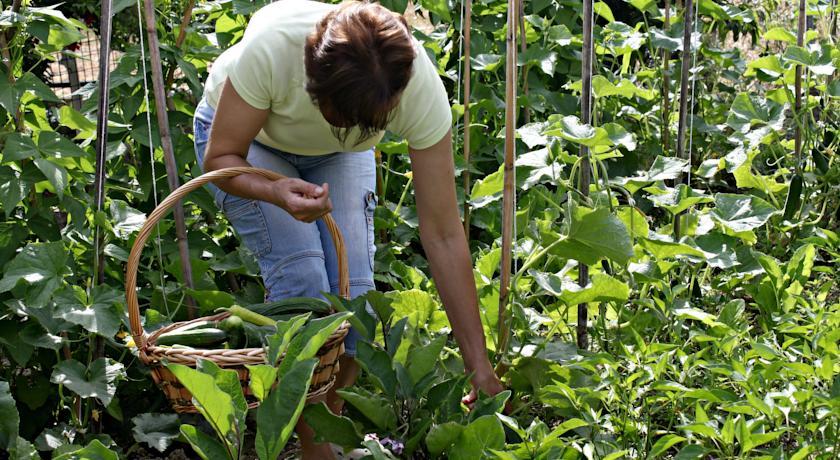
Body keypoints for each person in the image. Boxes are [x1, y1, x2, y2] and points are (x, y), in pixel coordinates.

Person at [193, 0, 503, 457]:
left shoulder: (416, 87)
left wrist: (479, 365)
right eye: (342, 117)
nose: (352, 129)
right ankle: (314, 449)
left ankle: (324, 433)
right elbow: (220, 160)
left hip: (335, 161)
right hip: (247, 148)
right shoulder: (273, 50)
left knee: (352, 304)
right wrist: (277, 193)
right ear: (314, 86)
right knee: (304, 283)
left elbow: (442, 232)